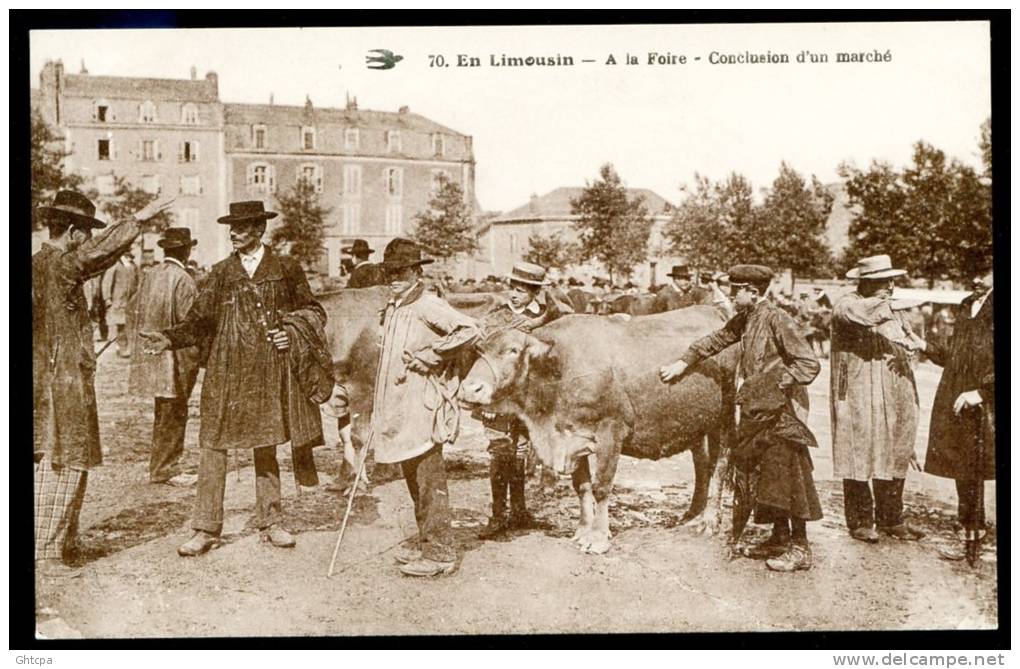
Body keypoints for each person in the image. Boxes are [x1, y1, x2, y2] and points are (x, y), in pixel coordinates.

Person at [139, 201, 329, 557]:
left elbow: (314, 311)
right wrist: (168, 338)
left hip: (267, 369)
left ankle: (271, 521)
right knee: (212, 444)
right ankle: (205, 528)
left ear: (259, 229)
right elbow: (199, 321)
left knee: (266, 443)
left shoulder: (286, 268)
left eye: (241, 227)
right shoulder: (222, 271)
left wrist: (291, 330)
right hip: (225, 372)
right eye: (232, 227)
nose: (234, 233)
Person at [33, 190, 175, 578]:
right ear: (76, 233)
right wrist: (140, 217)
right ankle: (46, 552)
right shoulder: (59, 264)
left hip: (51, 376)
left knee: (57, 455)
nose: (87, 241)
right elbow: (97, 256)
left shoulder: (38, 263)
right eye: (85, 233)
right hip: (62, 381)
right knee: (65, 459)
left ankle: (64, 543)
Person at [660, 264, 822, 572]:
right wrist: (684, 361)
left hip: (782, 411)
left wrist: (773, 384)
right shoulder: (746, 318)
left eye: (737, 290)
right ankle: (779, 537)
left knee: (790, 475)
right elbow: (718, 339)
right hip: (758, 410)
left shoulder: (777, 319)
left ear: (754, 292)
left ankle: (800, 548)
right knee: (765, 475)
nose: (733, 295)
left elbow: (808, 364)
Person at [371, 238, 481, 577]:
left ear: (416, 272)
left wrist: (432, 356)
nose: (394, 279)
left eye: (401, 273)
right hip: (400, 406)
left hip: (423, 403)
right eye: (389, 273)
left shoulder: (427, 303)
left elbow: (470, 329)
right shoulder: (396, 305)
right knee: (412, 473)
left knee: (428, 475)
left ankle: (440, 552)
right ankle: (426, 540)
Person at [830, 255, 925, 544]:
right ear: (867, 282)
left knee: (895, 449)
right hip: (857, 390)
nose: (891, 287)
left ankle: (891, 519)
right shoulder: (846, 304)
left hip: (893, 390)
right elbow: (863, 314)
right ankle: (860, 521)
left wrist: (910, 349)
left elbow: (908, 339)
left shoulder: (893, 308)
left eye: (892, 281)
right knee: (858, 449)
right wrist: (894, 305)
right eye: (885, 282)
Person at [475, 262, 573, 540]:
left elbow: (567, 312)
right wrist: (489, 402)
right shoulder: (496, 318)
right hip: (501, 398)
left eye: (522, 290)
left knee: (521, 452)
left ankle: (519, 511)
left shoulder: (547, 318)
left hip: (529, 400)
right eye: (513, 289)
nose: (515, 295)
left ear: (534, 293)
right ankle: (497, 514)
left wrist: (549, 292)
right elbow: (484, 362)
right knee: (500, 450)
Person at [912, 270, 994, 560]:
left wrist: (983, 393)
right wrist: (923, 345)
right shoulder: (966, 306)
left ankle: (977, 537)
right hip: (958, 395)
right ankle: (970, 532)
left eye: (985, 273)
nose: (976, 279)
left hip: (985, 398)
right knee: (965, 467)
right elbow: (955, 354)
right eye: (974, 273)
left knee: (980, 466)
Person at [128, 228, 202, 487]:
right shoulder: (183, 279)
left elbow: (133, 309)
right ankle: (166, 468)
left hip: (153, 355)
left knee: (163, 412)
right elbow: (190, 324)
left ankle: (160, 465)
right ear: (186, 250)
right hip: (176, 357)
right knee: (175, 412)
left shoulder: (151, 274)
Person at [103, 251, 140, 357]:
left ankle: (127, 347)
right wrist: (107, 298)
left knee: (130, 325)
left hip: (131, 301)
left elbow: (138, 283)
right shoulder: (115, 265)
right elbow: (107, 282)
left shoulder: (134, 266)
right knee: (121, 326)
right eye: (127, 256)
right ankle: (122, 348)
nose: (130, 258)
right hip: (118, 301)